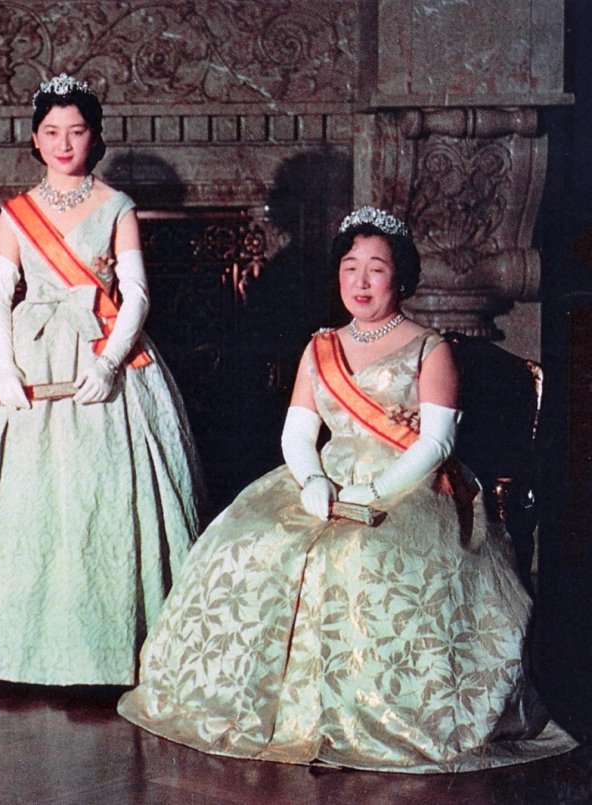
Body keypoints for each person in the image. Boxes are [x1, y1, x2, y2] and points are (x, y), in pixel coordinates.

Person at [118, 207, 578, 771]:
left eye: (376, 269)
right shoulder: (321, 347)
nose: (360, 282)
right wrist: (311, 477)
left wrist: (376, 490)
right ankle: (252, 706)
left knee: (361, 556)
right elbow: (297, 432)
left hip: (410, 484)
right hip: (325, 475)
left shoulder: (431, 348)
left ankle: (358, 715)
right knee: (249, 543)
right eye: (350, 268)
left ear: (401, 278)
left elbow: (435, 444)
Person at [0, 75, 205, 686]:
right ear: (35, 138)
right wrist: (2, 366)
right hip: (31, 357)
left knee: (100, 499)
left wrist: (109, 363)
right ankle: (18, 653)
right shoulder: (15, 212)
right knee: (28, 503)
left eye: (76, 131)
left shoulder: (117, 206)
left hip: (100, 350)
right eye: (51, 131)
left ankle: (108, 650)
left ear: (95, 138)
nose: (63, 142)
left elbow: (134, 295)